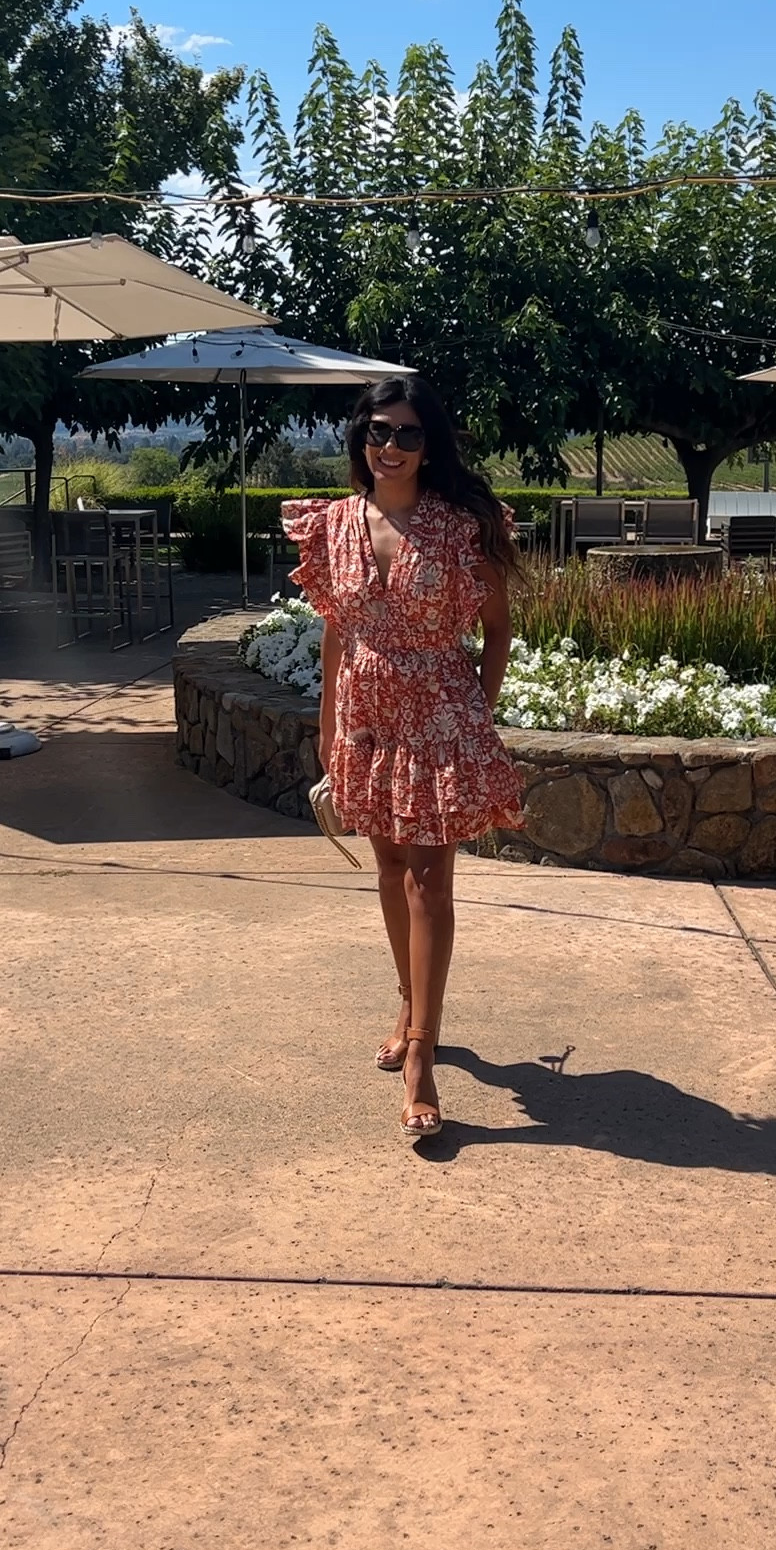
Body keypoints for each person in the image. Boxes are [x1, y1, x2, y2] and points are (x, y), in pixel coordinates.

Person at [282, 375, 524, 1140]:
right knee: (388, 870)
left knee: (429, 880)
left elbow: (497, 630)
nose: (390, 446)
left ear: (431, 445)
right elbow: (334, 631)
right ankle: (410, 1001)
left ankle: (421, 1056)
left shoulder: (461, 527)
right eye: (378, 431)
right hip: (364, 719)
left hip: (438, 717)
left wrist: (472, 716)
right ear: (360, 438)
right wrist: (327, 726)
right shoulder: (331, 525)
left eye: (408, 434)